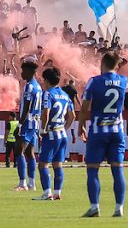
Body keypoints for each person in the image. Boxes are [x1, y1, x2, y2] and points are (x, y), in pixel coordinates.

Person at [78, 51, 128, 218]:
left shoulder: (94, 81)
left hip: (98, 131)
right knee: (117, 170)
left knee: (92, 169)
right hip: (117, 131)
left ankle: (94, 207)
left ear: (103, 63)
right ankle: (119, 208)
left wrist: (81, 126)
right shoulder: (123, 81)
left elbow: (85, 107)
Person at [33, 67, 75, 201]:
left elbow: (45, 112)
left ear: (46, 80)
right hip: (62, 134)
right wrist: (64, 128)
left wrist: (43, 129)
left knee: (43, 164)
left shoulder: (47, 94)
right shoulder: (65, 95)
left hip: (51, 134)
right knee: (58, 165)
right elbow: (72, 116)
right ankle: (57, 193)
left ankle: (47, 193)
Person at [14, 60, 42, 192]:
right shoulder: (38, 87)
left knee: (19, 151)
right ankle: (31, 183)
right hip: (35, 123)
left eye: (23, 71)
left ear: (31, 72)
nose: (21, 73)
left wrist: (20, 124)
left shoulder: (29, 87)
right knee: (30, 153)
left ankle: (22, 183)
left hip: (27, 123)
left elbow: (27, 107)